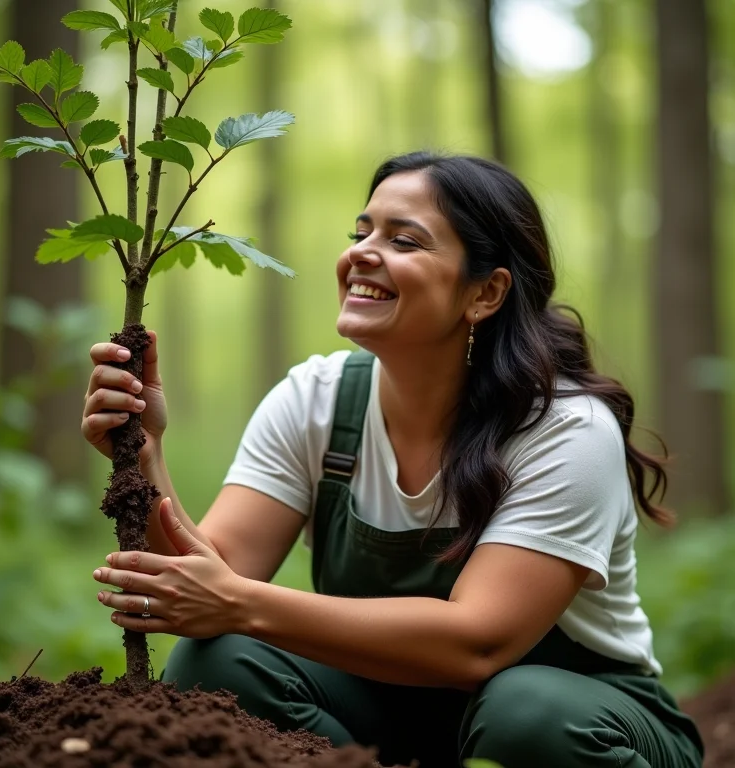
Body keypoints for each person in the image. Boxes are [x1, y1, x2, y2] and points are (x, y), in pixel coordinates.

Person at [82, 153, 704, 768]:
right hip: (380, 710)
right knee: (215, 662)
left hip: (584, 722)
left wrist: (243, 603)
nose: (361, 253)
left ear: (485, 292)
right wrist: (142, 455)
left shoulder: (563, 430)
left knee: (523, 711)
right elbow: (204, 582)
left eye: (404, 240)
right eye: (361, 232)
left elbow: (478, 645)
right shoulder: (315, 399)